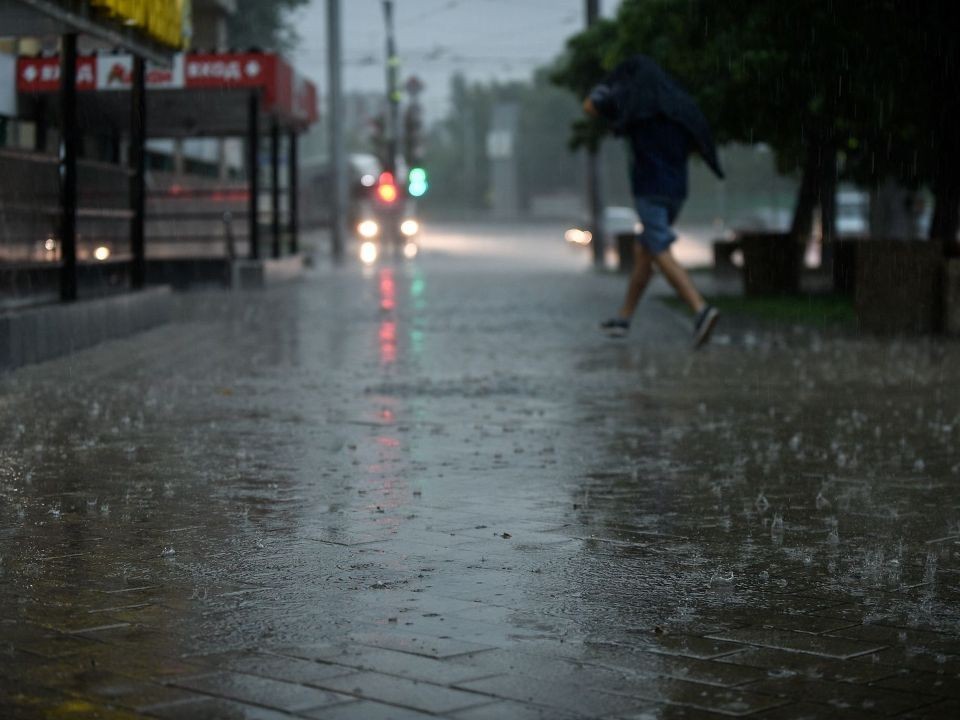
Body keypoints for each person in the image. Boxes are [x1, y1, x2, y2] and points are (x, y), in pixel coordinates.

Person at [584, 83, 719, 348]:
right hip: (677, 191)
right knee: (644, 253)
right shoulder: (676, 113)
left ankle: (700, 309)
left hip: (650, 190)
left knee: (658, 248)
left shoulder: (637, 111)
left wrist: (605, 92)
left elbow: (590, 107)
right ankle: (624, 318)